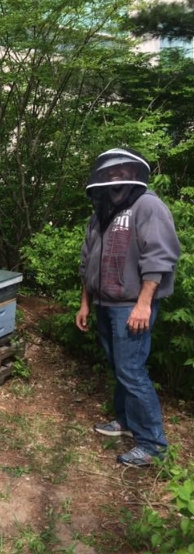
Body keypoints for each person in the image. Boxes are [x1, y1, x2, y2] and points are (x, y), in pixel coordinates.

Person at [76, 147, 180, 467]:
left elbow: (159, 256)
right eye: (108, 172)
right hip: (106, 303)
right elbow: (87, 260)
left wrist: (143, 304)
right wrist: (85, 304)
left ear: (133, 172)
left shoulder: (147, 205)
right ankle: (124, 421)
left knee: (132, 372)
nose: (113, 176)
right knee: (119, 367)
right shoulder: (101, 212)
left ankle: (152, 444)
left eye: (118, 170)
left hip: (132, 306)